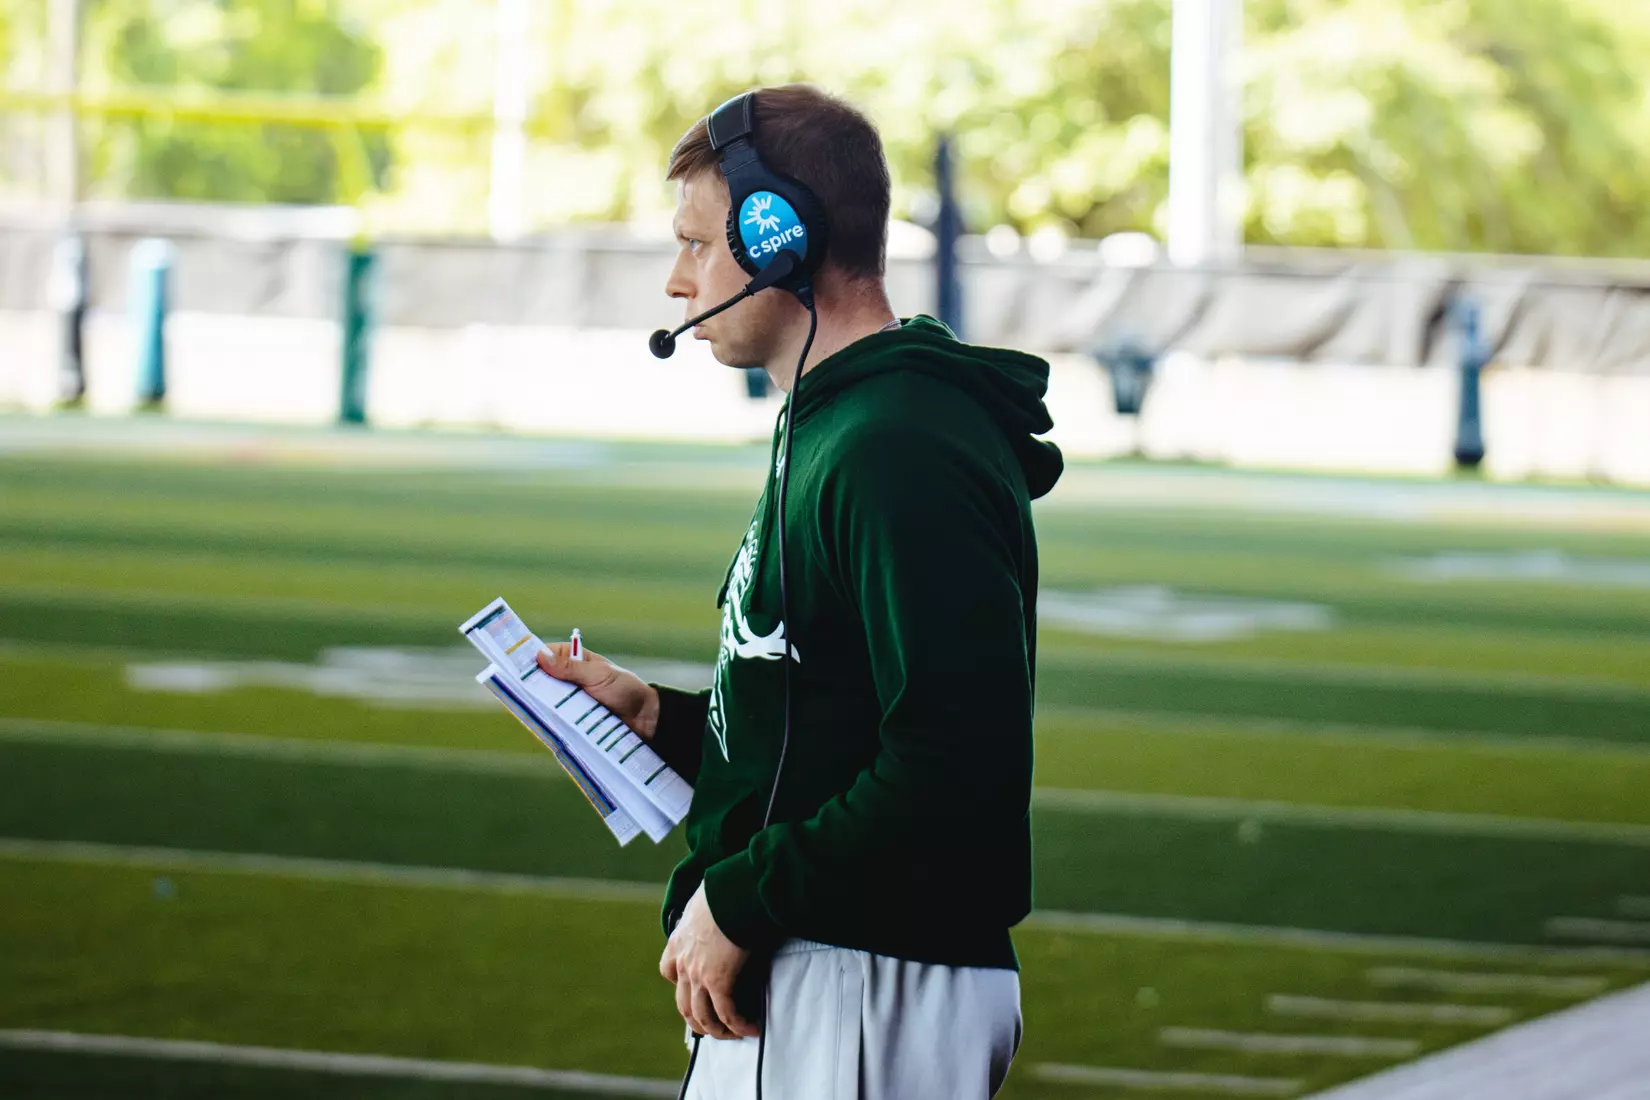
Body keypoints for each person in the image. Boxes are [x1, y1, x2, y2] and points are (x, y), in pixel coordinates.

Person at [538, 83, 1063, 1100]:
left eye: (697, 243)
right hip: (836, 969)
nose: (678, 280)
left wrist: (739, 897)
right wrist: (658, 721)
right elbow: (828, 731)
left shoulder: (896, 443)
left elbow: (957, 760)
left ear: (779, 241)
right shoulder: (843, 421)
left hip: (860, 976)